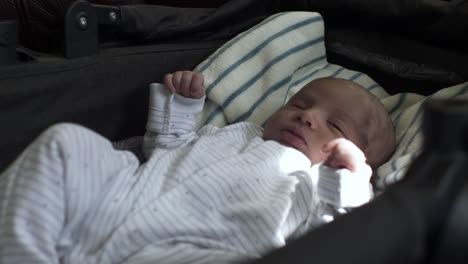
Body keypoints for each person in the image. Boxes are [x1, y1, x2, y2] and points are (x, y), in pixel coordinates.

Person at [0, 71, 395, 264]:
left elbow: (338, 236)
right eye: (299, 104)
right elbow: (166, 150)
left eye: (336, 125)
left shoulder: (318, 185)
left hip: (192, 250)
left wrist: (345, 182)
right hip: (116, 201)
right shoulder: (239, 133)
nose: (307, 118)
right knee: (67, 141)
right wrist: (183, 106)